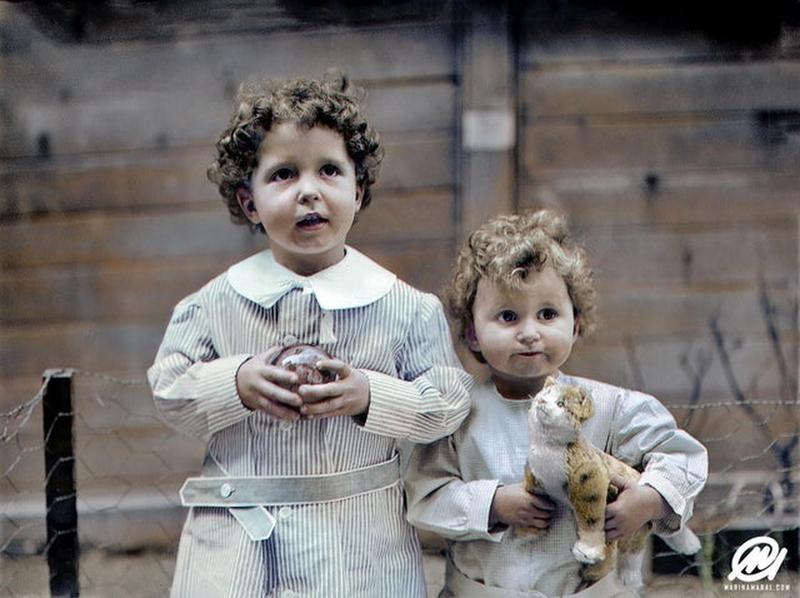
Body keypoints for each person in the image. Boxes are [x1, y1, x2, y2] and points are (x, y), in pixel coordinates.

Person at [147, 74, 472, 597]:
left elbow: (448, 401)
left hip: (360, 538)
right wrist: (235, 381)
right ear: (248, 202)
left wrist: (371, 394)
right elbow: (169, 387)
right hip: (239, 533)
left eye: (329, 170)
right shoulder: (212, 304)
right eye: (281, 174)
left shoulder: (406, 308)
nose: (308, 190)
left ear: (358, 191)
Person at [405, 209, 707, 597]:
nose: (529, 333)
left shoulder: (610, 407)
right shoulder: (458, 414)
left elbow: (682, 456)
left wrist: (647, 500)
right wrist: (493, 503)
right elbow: (425, 494)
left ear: (575, 323)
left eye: (547, 314)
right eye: (508, 316)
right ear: (473, 333)